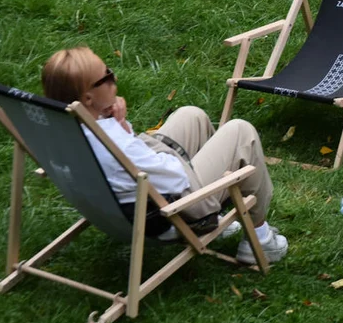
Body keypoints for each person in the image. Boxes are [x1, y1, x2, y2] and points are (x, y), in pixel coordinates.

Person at [41, 46, 288, 265]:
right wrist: (138, 139)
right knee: (241, 132)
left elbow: (125, 161)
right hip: (173, 212)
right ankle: (260, 239)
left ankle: (224, 222)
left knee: (192, 116)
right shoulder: (117, 144)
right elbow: (175, 177)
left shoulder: (65, 133)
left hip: (122, 205)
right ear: (87, 98)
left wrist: (116, 122)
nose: (114, 78)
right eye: (107, 76)